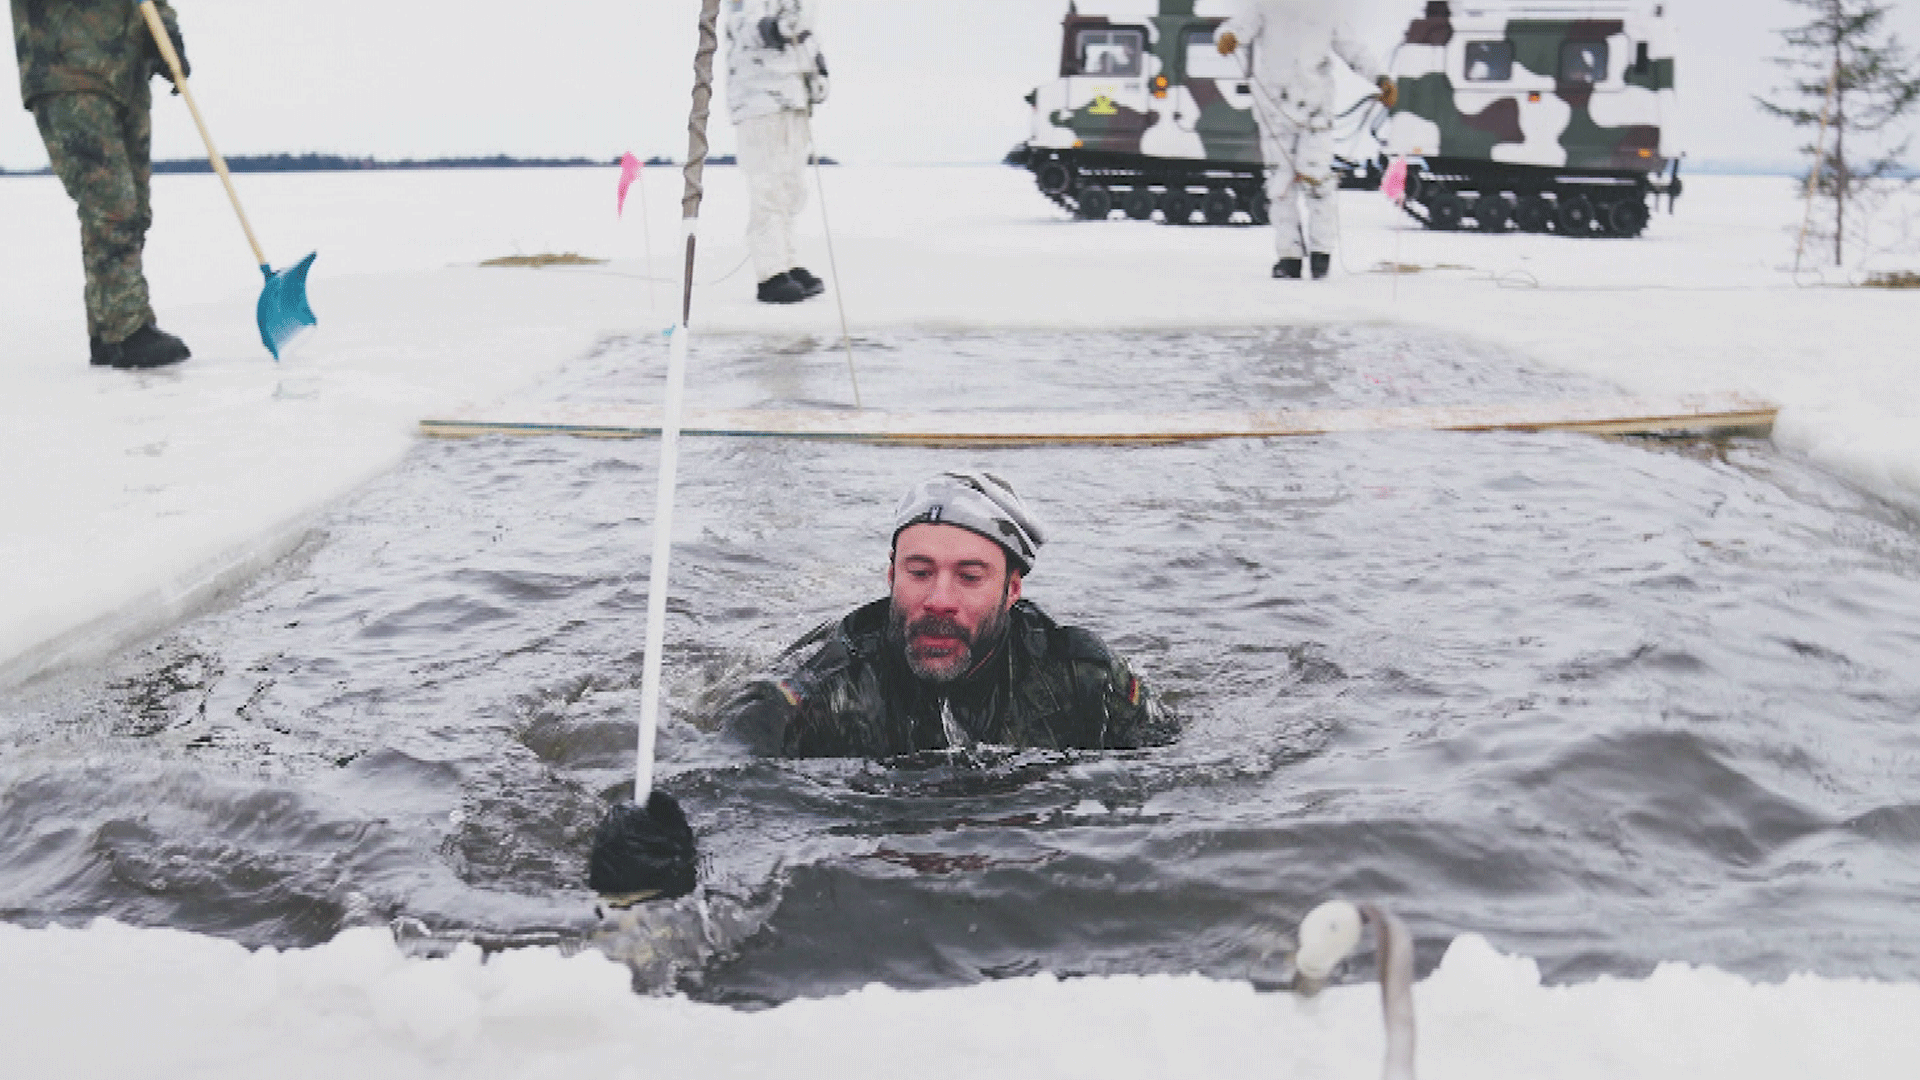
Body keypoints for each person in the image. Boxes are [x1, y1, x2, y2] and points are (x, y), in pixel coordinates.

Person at [588, 471, 1176, 900]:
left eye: (970, 577)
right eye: (919, 573)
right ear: (891, 576)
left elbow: (1177, 778)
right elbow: (721, 775)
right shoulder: (816, 689)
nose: (938, 599)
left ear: (1012, 590)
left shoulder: (1080, 676)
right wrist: (650, 838)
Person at [11, 0, 193, 368]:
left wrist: (165, 33)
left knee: (136, 209)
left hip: (126, 75)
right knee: (111, 204)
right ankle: (128, 329)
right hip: (69, 70)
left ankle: (108, 331)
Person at [1216, 0, 1397, 281]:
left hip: (1316, 110)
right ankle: (1289, 258)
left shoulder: (1327, 10)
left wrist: (1380, 77)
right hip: (1276, 110)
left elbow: (1353, 49)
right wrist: (1227, 39)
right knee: (1281, 187)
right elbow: (1238, 28)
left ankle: (1320, 256)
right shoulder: (1265, 6)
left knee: (1318, 181)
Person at [723, 0, 830, 306]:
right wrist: (777, 28)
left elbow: (807, 37)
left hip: (794, 102)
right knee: (767, 187)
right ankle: (770, 272)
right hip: (759, 102)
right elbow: (745, 27)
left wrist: (818, 73)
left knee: (791, 189)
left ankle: (787, 262)